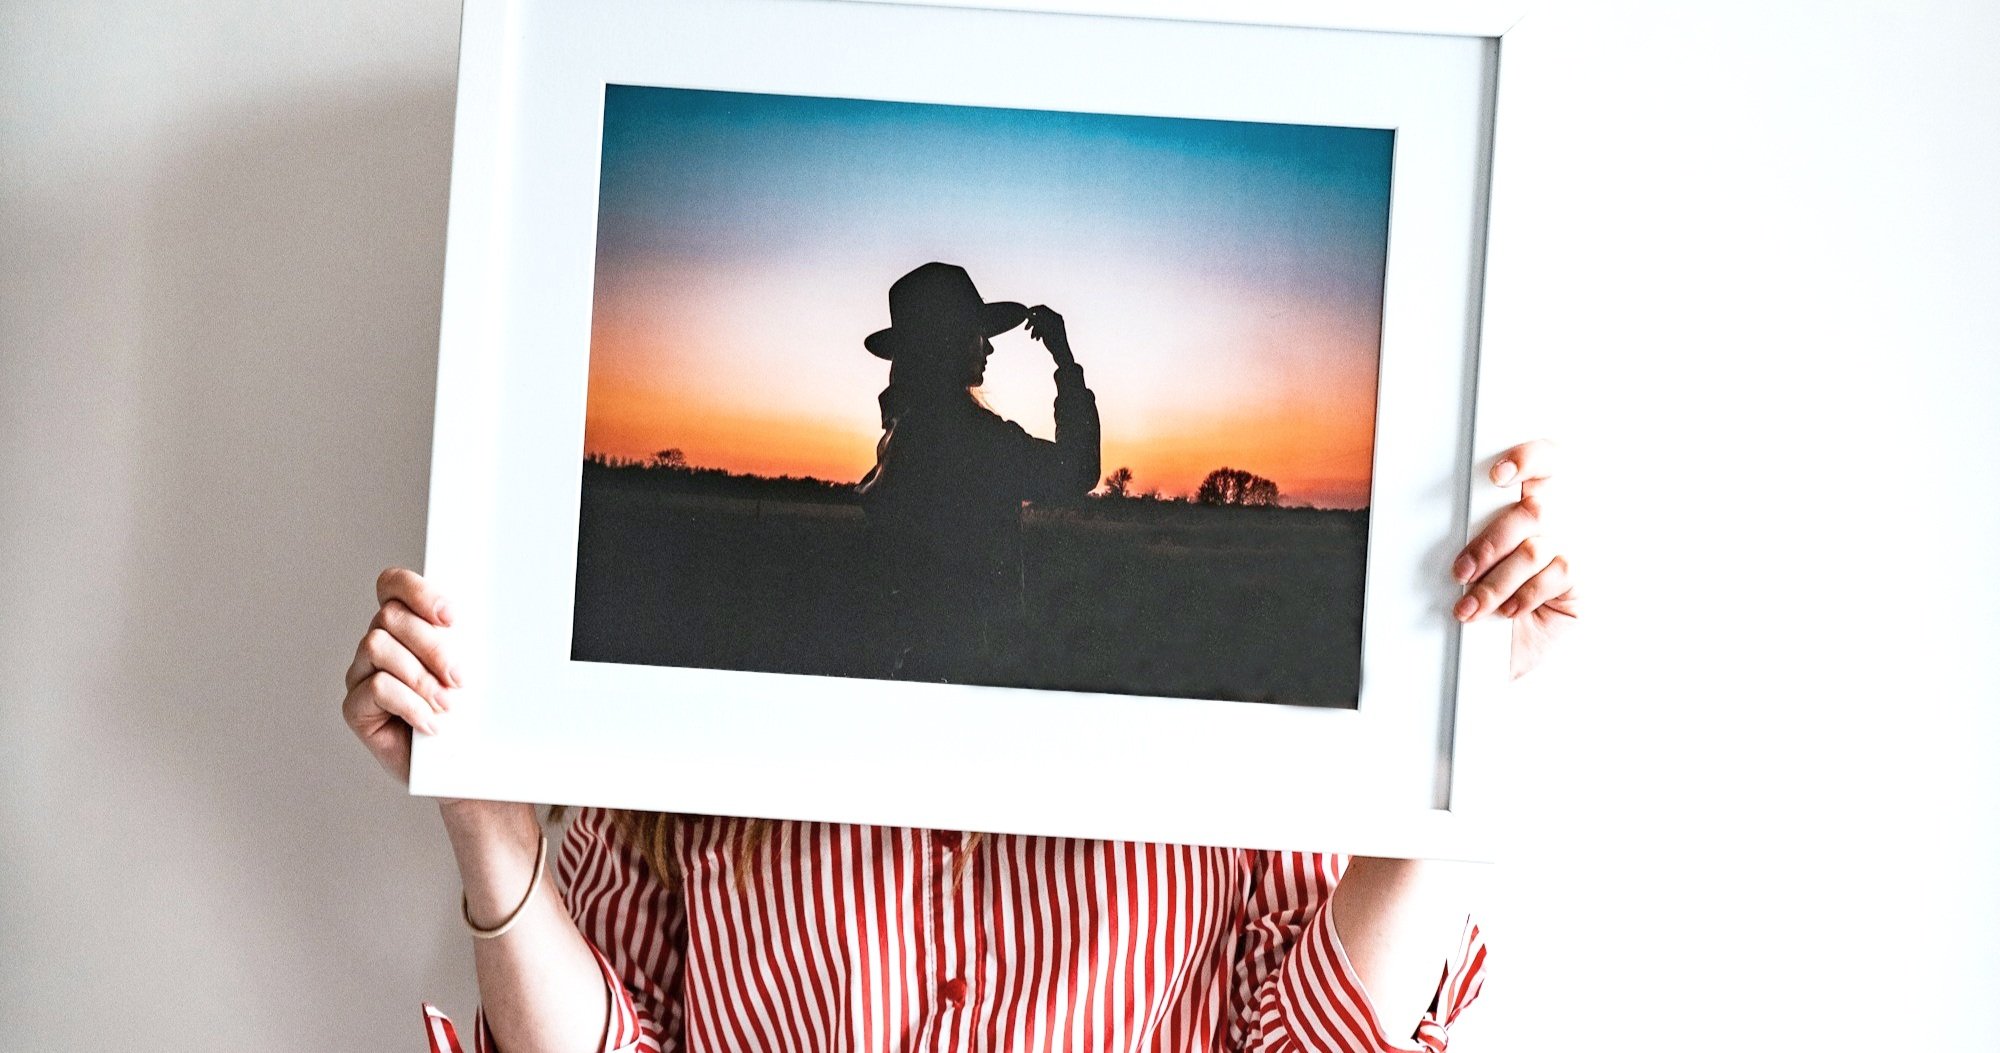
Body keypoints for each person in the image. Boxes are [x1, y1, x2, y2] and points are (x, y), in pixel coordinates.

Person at [350, 452, 1575, 1048]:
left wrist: (1446, 719)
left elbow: (1313, 1038)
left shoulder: (1217, 718)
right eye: (897, 433)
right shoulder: (709, 723)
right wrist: (490, 824)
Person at [855, 262, 1101, 682]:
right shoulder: (976, 441)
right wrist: (1065, 359)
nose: (988, 348)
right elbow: (1077, 471)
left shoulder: (903, 436)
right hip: (970, 669)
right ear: (948, 342)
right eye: (978, 334)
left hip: (915, 665)